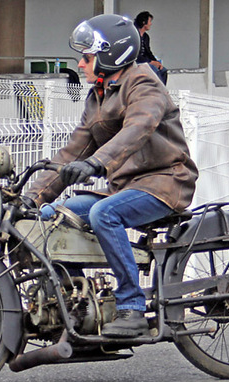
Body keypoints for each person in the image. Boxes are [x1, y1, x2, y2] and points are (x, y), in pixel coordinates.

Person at [25, 14, 198, 338]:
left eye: (87, 57)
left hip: (165, 182)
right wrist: (30, 198)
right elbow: (71, 153)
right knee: (50, 216)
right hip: (128, 186)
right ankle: (74, 304)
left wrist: (97, 163)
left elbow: (139, 127)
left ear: (110, 55)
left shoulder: (143, 82)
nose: (80, 63)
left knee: (103, 213)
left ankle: (131, 308)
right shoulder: (98, 97)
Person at [134, 11, 169, 85]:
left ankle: (162, 90)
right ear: (144, 22)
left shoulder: (146, 37)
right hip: (137, 62)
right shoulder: (133, 35)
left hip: (146, 61)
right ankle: (155, 91)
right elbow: (134, 54)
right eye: (149, 21)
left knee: (163, 71)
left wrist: (157, 62)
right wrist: (150, 62)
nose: (151, 24)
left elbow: (148, 52)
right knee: (154, 70)